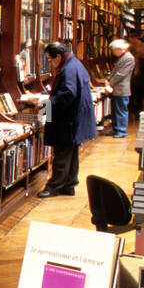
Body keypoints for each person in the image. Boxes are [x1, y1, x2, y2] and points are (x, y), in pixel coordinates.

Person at [39, 42, 96, 198]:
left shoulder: (68, 69)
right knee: (71, 152)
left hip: (68, 119)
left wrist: (45, 105)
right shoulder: (74, 63)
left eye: (50, 60)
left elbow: (68, 93)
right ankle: (69, 184)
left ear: (58, 56)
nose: (50, 63)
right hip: (75, 118)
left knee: (62, 152)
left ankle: (54, 186)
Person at [106, 39, 135, 138]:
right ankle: (116, 129)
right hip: (117, 88)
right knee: (115, 110)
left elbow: (121, 74)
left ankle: (121, 130)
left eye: (114, 51)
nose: (113, 53)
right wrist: (108, 79)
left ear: (119, 49)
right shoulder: (123, 57)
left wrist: (110, 82)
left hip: (121, 89)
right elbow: (116, 72)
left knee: (121, 110)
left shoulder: (128, 58)